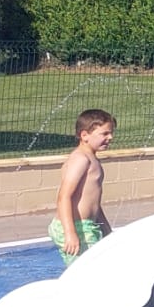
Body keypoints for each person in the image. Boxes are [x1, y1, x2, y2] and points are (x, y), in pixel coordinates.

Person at [52, 109, 117, 266]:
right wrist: (70, 232)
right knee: (88, 273)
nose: (110, 138)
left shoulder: (92, 159)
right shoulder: (80, 159)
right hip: (76, 226)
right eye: (104, 134)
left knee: (99, 269)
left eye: (111, 133)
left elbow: (94, 204)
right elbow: (64, 197)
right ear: (84, 135)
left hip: (87, 226)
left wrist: (107, 230)